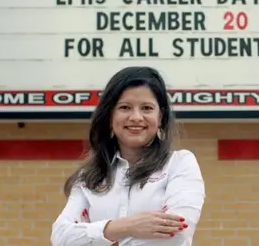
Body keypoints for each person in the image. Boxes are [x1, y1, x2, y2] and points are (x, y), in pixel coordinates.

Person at [50, 66, 206, 246]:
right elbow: (61, 238)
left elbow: (178, 232)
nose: (136, 117)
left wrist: (99, 236)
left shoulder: (180, 164)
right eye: (125, 107)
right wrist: (127, 227)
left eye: (147, 108)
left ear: (160, 116)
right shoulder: (89, 177)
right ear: (110, 115)